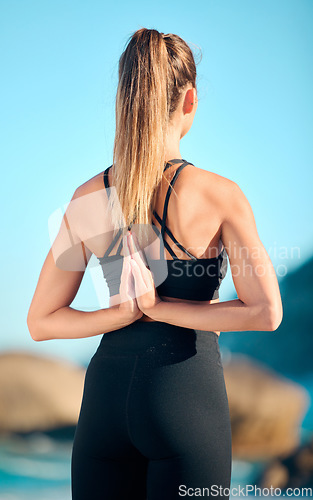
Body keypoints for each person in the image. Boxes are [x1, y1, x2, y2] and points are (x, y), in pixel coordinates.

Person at [27, 28, 283, 500]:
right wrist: (162, 309)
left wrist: (121, 315)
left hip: (105, 406)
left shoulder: (87, 198)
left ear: (126, 100)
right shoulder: (220, 195)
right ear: (190, 100)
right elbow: (265, 312)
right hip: (185, 398)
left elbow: (41, 322)